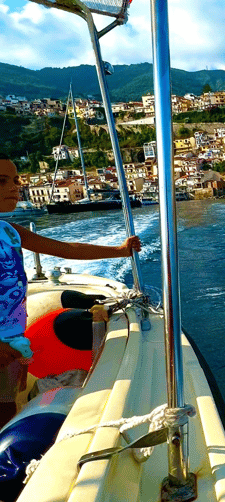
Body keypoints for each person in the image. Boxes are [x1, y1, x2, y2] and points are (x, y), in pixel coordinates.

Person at [0, 158, 141, 425]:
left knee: (7, 408)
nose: (14, 187)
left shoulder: (9, 231)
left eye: (15, 179)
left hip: (12, 339)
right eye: (2, 181)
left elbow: (65, 249)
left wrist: (119, 251)